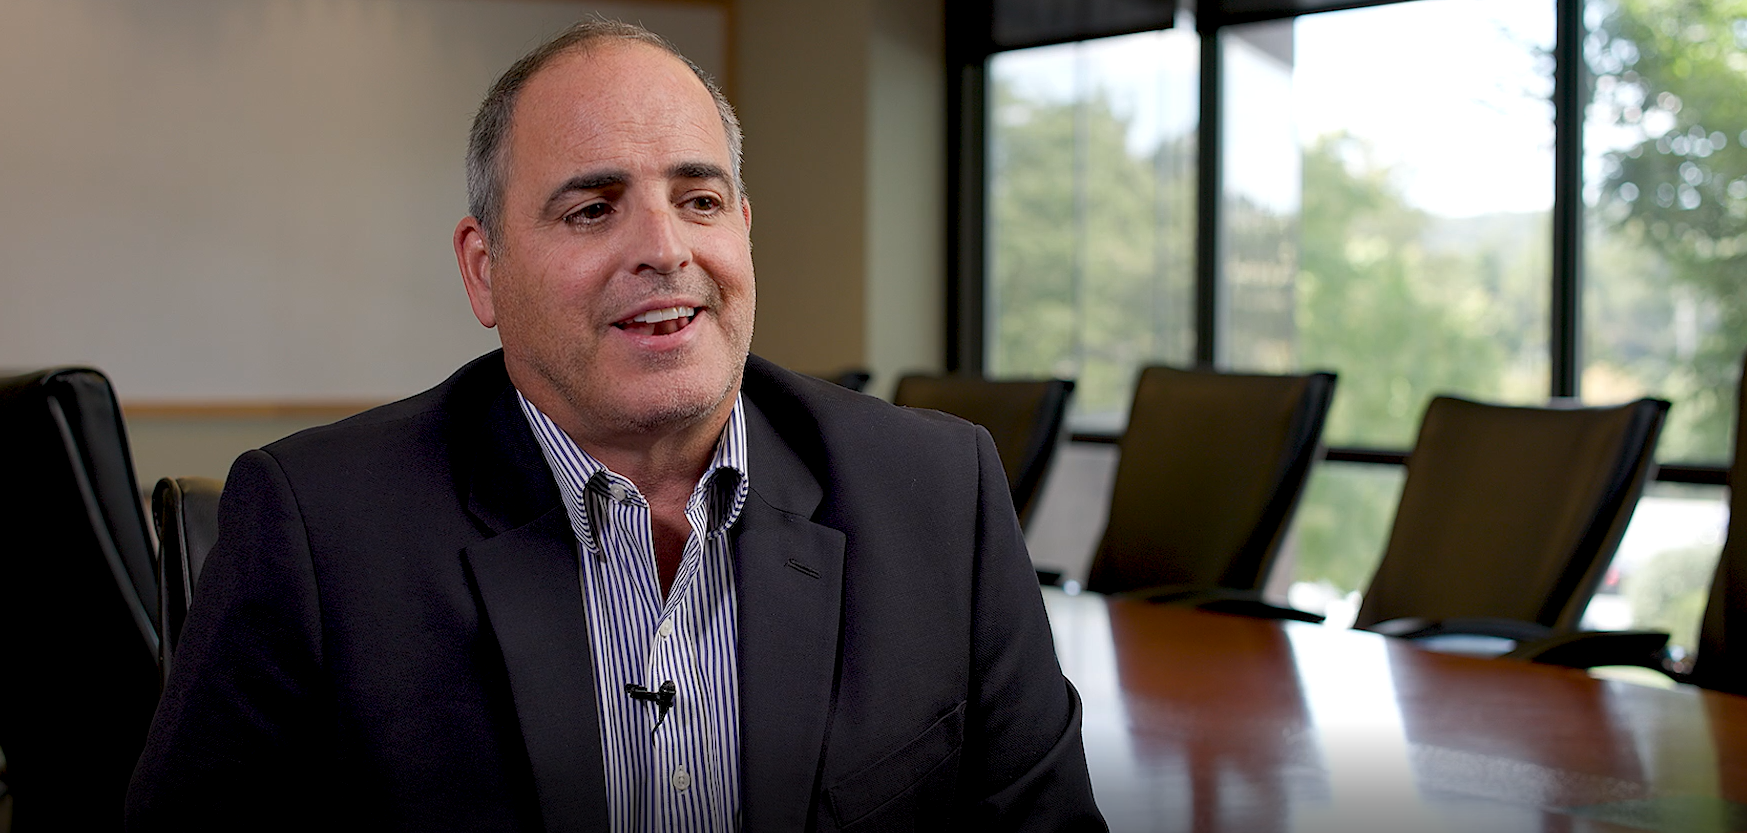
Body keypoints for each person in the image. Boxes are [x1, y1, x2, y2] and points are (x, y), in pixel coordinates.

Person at [127, 18, 1101, 832]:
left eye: (698, 200)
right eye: (593, 210)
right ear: (484, 270)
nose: (664, 249)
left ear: (743, 232)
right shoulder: (317, 529)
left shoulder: (941, 493)